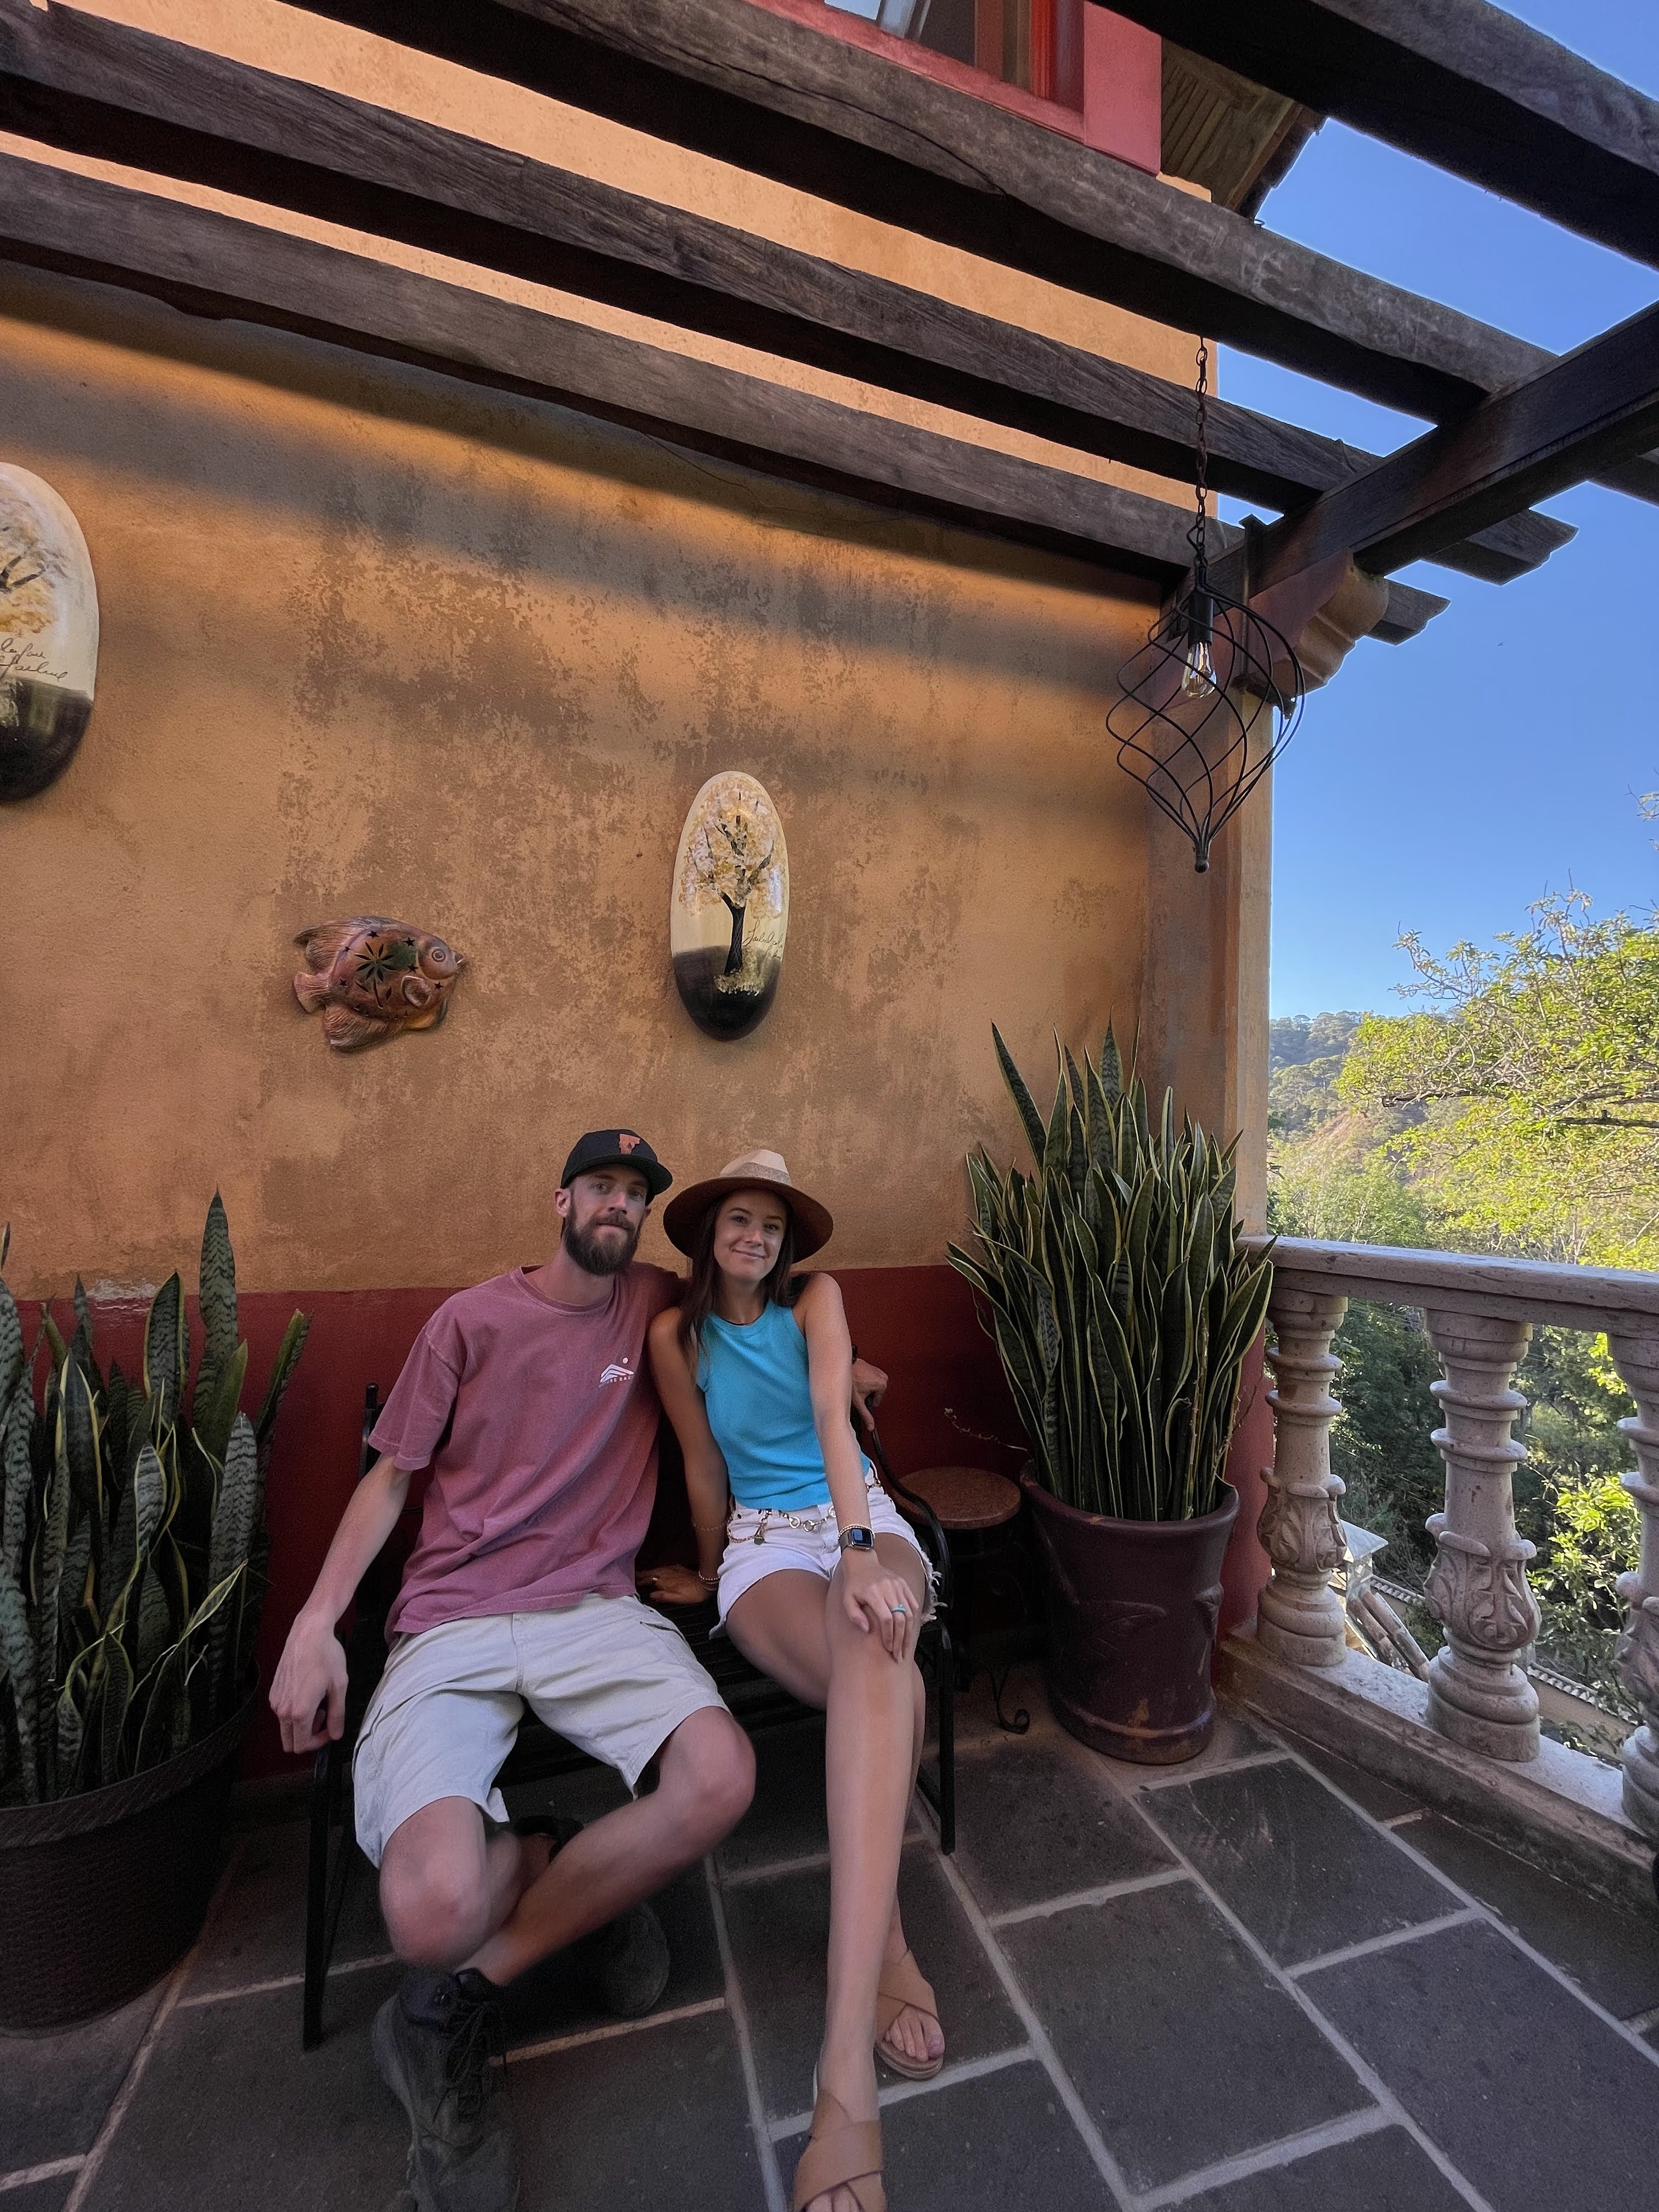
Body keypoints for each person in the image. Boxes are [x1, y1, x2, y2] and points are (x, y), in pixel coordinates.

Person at [270, 1128, 887, 2212]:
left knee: (722, 1775)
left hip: (595, 1611)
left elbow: (768, 1319)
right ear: (561, 1200)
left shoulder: (655, 1304)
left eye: (635, 1195)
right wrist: (316, 1621)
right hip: (453, 1623)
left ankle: (451, 2006)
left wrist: (856, 1370)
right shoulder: (467, 1321)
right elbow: (389, 1480)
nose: (618, 1205)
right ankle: (564, 1865)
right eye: (601, 1186)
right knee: (429, 1913)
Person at [648, 1150, 944, 2212]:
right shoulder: (677, 1337)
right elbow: (703, 1464)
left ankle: (842, 2062)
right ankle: (887, 1938)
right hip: (765, 1542)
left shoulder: (817, 1300)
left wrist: (860, 1550)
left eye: (771, 1225)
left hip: (857, 1513)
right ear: (709, 1233)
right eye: (739, 1218)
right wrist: (706, 1564)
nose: (755, 1238)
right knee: (892, 1683)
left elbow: (831, 1417)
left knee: (876, 1641)